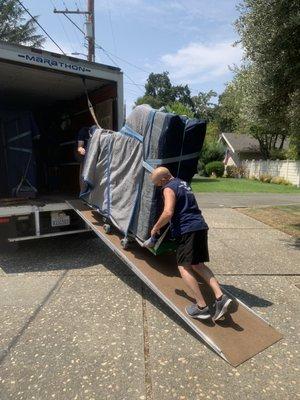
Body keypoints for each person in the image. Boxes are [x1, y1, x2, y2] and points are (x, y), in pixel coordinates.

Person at [150, 166, 232, 321]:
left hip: (187, 230)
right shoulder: (183, 183)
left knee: (183, 267)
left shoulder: (168, 188)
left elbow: (168, 212)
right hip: (200, 226)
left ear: (163, 179)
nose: (158, 187)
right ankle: (220, 297)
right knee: (198, 265)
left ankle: (201, 307)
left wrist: (155, 228)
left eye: (158, 184)